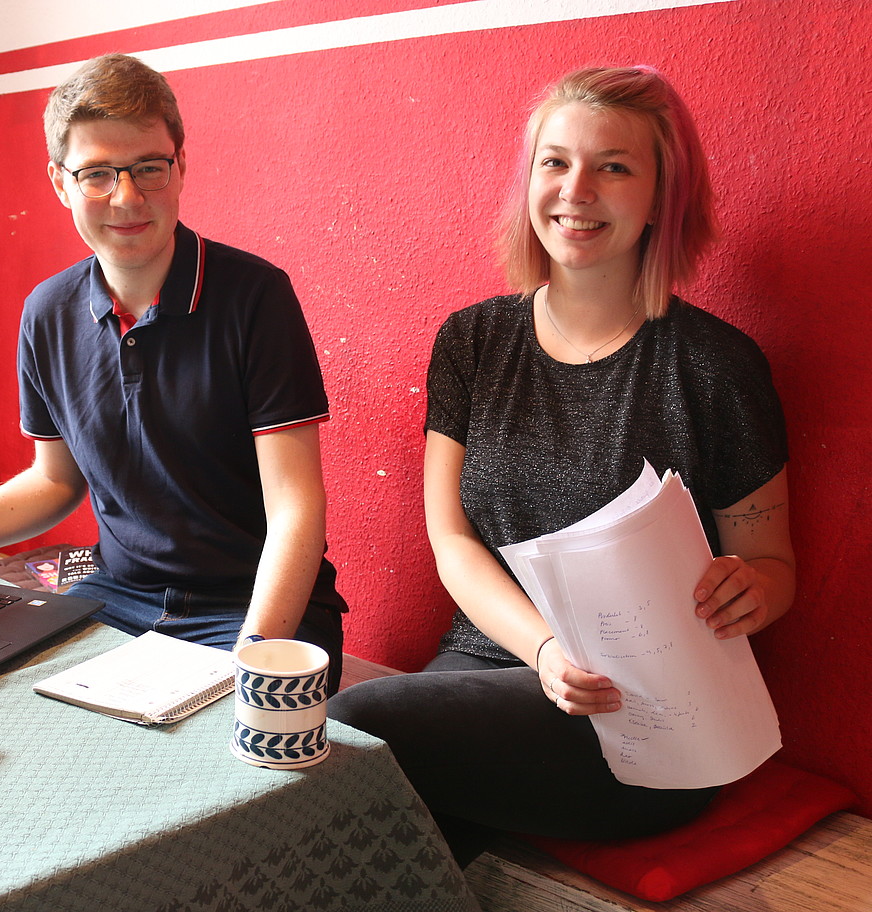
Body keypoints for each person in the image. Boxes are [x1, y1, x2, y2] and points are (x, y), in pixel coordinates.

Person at [328, 65, 794, 865]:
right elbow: (454, 542)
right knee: (391, 833)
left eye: (614, 166)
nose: (577, 190)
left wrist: (753, 588)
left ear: (661, 197)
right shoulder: (472, 341)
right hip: (486, 665)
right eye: (556, 161)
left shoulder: (717, 365)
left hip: (645, 713)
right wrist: (545, 653)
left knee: (352, 726)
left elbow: (775, 566)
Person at [0, 54, 347, 692]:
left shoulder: (256, 296)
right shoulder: (47, 312)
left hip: (252, 606)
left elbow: (295, 506)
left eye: (148, 168)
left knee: (218, 747)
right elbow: (57, 482)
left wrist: (255, 654)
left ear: (180, 167)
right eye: (97, 174)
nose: (128, 197)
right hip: (117, 597)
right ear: (60, 183)